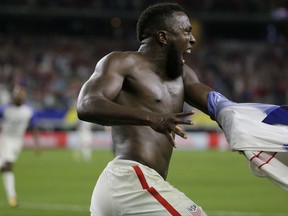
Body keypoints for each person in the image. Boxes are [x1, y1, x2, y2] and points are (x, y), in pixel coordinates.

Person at [77, 2, 212, 215]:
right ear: (163, 37)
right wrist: (151, 117)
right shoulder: (123, 62)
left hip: (130, 186)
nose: (193, 39)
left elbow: (216, 103)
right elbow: (86, 105)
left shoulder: (183, 75)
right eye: (186, 31)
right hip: (130, 181)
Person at [0, 85, 40, 207]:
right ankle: (12, 197)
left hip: (17, 142)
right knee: (8, 165)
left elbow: (33, 128)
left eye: (21, 95)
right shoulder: (4, 109)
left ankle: (12, 197)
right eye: (17, 95)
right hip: (4, 139)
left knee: (4, 167)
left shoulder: (28, 111)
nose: (18, 97)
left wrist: (36, 144)